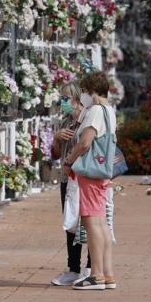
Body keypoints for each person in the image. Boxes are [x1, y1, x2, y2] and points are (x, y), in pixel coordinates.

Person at [63, 72, 117, 290]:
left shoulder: (95, 110)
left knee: (91, 221)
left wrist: (70, 159)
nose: (82, 95)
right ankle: (107, 272)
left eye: (84, 91)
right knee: (102, 221)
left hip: (91, 172)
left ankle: (96, 275)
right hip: (103, 171)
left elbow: (85, 142)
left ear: (92, 91)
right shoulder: (109, 110)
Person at [50, 82, 91, 286]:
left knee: (90, 222)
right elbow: (55, 154)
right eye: (61, 99)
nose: (63, 102)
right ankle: (73, 267)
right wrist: (57, 139)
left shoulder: (87, 119)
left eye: (66, 99)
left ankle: (91, 267)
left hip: (84, 178)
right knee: (70, 224)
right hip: (67, 179)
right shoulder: (64, 121)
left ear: (76, 99)